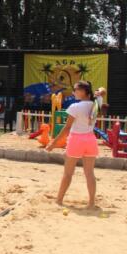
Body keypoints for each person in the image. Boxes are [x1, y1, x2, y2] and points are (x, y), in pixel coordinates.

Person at [46, 80, 98, 209]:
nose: (74, 92)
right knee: (90, 173)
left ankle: (59, 200)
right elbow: (102, 90)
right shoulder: (96, 104)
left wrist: (53, 143)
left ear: (83, 91)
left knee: (68, 173)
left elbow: (67, 128)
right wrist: (98, 93)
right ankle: (91, 202)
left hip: (76, 140)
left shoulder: (75, 107)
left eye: (75, 89)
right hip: (90, 139)